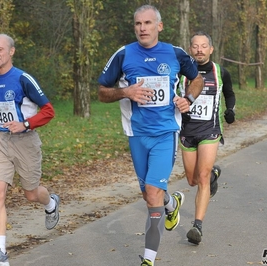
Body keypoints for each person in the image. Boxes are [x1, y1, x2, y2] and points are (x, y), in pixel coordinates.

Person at [97, 5, 203, 266]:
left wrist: (188, 98)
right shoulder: (124, 55)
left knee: (153, 192)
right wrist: (126, 92)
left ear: (159, 26)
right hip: (137, 134)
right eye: (138, 24)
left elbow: (197, 79)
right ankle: (171, 203)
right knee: (149, 194)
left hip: (165, 133)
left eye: (147, 23)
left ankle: (148, 259)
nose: (142, 28)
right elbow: (101, 91)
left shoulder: (175, 53)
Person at [0, 34, 60, 266]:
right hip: (1, 142)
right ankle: (0, 252)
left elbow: (49, 111)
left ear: (11, 52)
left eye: (0, 49)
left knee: (31, 194)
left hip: (26, 141)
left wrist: (25, 124)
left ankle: (51, 203)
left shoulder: (24, 79)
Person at [178, 32, 236, 245]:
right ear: (190, 49)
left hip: (210, 130)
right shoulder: (181, 73)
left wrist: (230, 110)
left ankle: (197, 226)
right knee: (192, 180)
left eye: (204, 46)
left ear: (211, 49)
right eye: (195, 46)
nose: (199, 50)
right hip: (187, 132)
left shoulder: (220, 71)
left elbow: (229, 93)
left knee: (201, 178)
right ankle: (213, 173)